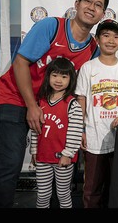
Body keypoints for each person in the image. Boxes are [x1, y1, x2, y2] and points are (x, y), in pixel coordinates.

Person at [0, 0, 109, 208]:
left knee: (59, 162)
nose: (92, 7)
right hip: (14, 97)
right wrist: (32, 106)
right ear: (77, 4)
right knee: (11, 162)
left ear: (102, 14)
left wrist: (81, 127)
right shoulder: (51, 26)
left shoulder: (93, 50)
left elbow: (82, 92)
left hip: (51, 107)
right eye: (88, 1)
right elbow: (21, 63)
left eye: (98, 5)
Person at [75, 19, 118, 208]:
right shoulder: (88, 68)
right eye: (106, 35)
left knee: (116, 186)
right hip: (94, 137)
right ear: (97, 39)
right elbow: (81, 99)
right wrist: (81, 130)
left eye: (116, 36)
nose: (111, 40)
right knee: (92, 188)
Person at [29, 57, 83, 208]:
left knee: (63, 194)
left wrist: (67, 153)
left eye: (64, 76)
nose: (58, 80)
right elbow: (35, 129)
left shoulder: (72, 104)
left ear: (71, 79)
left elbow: (75, 131)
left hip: (62, 159)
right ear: (48, 77)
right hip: (43, 158)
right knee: (43, 194)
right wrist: (34, 150)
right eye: (55, 75)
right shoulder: (41, 102)